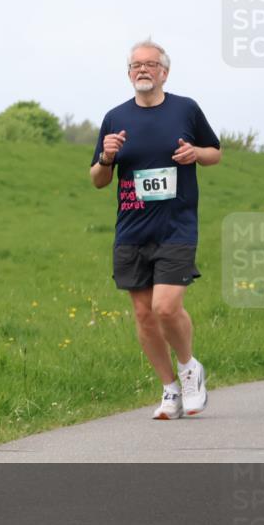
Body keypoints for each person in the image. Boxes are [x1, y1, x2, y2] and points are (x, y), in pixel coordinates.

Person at [90, 39, 221, 420]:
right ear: (128, 73)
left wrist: (195, 153)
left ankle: (189, 369)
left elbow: (214, 152)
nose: (142, 70)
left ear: (164, 71)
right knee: (144, 314)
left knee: (165, 307)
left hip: (176, 226)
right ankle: (169, 391)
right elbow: (98, 179)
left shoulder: (186, 109)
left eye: (150, 64)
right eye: (135, 65)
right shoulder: (115, 118)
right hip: (131, 230)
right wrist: (106, 156)